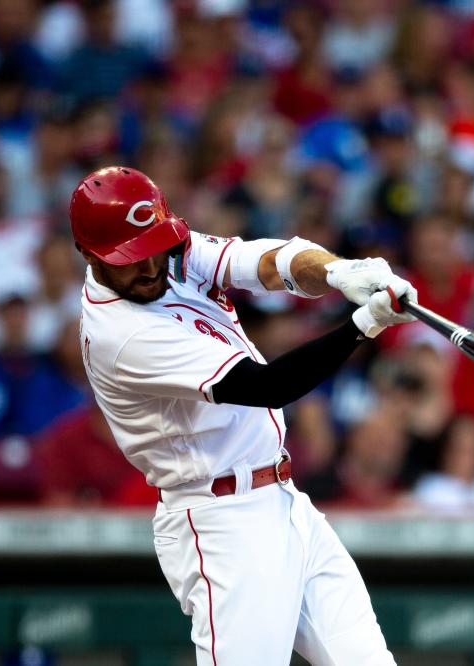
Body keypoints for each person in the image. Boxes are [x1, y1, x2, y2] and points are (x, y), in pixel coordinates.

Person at [71, 166, 415, 665]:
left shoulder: (169, 252)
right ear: (88, 252)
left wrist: (340, 272)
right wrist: (363, 323)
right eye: (130, 259)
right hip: (221, 521)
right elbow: (267, 386)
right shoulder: (119, 334)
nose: (148, 268)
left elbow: (269, 261)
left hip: (283, 500)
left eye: (153, 250)